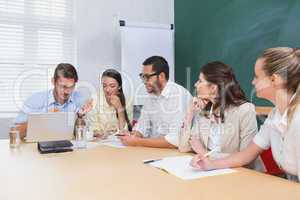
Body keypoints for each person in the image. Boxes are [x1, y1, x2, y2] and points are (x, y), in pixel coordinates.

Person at [190, 47, 300, 182]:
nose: (252, 82)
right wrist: (210, 164)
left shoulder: (297, 119)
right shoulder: (274, 116)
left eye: (257, 77)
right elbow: (246, 155)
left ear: (274, 80)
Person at [178, 61, 263, 170]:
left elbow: (247, 158)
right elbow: (183, 147)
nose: (195, 84)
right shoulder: (204, 111)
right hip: (213, 173)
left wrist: (205, 154)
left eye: (200, 81)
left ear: (213, 88)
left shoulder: (245, 110)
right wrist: (190, 113)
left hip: (242, 175)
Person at [119, 56, 192, 148]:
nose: (144, 81)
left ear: (161, 76)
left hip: (174, 154)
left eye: (147, 77)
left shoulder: (180, 96)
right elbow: (142, 126)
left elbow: (175, 141)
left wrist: (137, 142)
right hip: (153, 151)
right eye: (142, 77)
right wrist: (133, 135)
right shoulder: (151, 96)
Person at [15, 63, 92, 139]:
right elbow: (15, 131)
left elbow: (84, 134)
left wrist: (81, 116)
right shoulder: (35, 100)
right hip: (39, 146)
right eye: (63, 86)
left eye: (71, 87)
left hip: (69, 148)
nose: (67, 92)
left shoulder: (79, 99)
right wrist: (44, 120)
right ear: (53, 81)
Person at [87, 69, 132, 138]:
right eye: (104, 86)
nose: (107, 90)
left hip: (119, 142)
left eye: (112, 86)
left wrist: (120, 108)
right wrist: (97, 132)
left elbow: (124, 131)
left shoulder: (127, 100)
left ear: (119, 87)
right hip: (101, 142)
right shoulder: (95, 100)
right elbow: (93, 128)